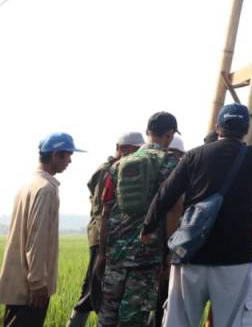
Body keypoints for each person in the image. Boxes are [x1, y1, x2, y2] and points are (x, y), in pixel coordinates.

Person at [144, 103, 252, 327]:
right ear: (246, 130)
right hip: (234, 260)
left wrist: (147, 227)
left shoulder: (193, 156)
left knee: (178, 322)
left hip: (191, 254)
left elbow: (165, 195)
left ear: (218, 127)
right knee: (232, 322)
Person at [96, 113, 182, 327]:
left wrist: (102, 252)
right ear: (170, 135)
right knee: (135, 317)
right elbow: (174, 211)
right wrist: (170, 253)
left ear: (147, 133)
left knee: (108, 313)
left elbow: (105, 211)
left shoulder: (118, 166)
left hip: (115, 253)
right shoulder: (172, 164)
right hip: (148, 256)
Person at [0, 132, 84, 327]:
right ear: (56, 155)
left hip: (18, 284)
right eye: (68, 155)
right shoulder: (45, 189)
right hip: (30, 289)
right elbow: (37, 239)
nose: (70, 161)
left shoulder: (28, 185)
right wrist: (38, 284)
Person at [65, 131, 145, 327]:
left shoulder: (113, 168)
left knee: (96, 287)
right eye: (136, 151)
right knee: (93, 287)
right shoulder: (108, 170)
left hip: (105, 235)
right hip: (102, 236)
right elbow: (105, 207)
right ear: (123, 149)